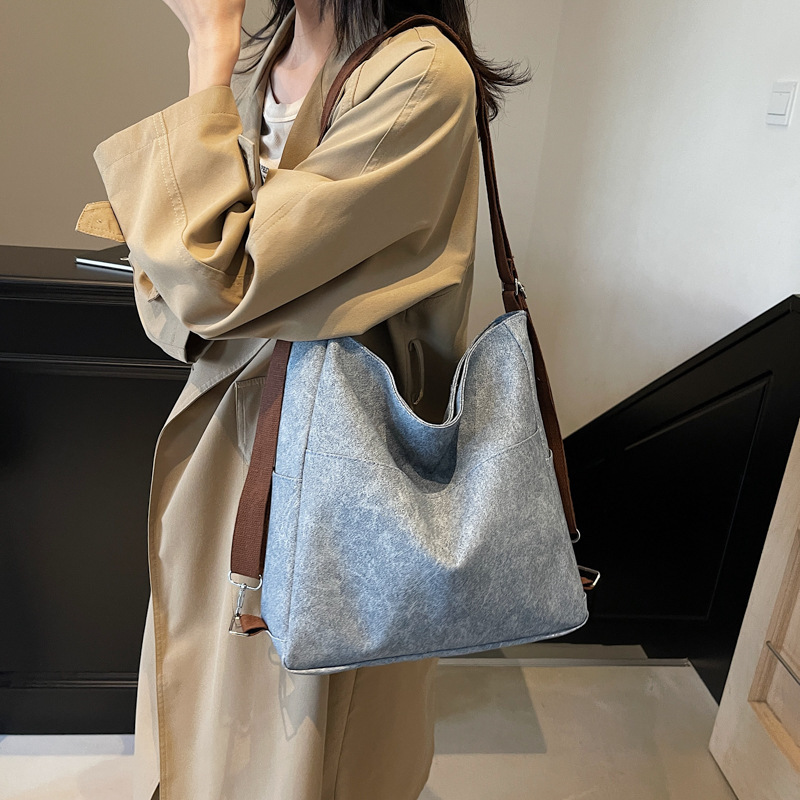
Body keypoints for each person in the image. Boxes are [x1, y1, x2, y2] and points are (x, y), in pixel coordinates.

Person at [75, 1, 530, 797]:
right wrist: (198, 270)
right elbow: (193, 295)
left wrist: (208, 51)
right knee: (213, 729)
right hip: (238, 450)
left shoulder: (422, 74)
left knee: (296, 751)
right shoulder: (288, 46)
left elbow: (215, 279)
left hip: (330, 493)